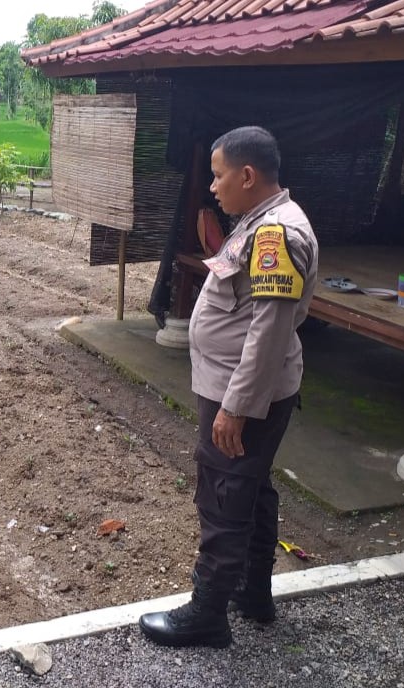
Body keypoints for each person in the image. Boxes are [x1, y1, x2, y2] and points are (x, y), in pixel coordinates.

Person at [139, 126, 319, 648]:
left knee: (225, 492)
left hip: (243, 393)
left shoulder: (276, 235)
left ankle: (207, 613)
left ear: (247, 175)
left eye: (219, 176)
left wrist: (236, 407)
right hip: (242, 386)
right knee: (250, 485)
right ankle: (252, 593)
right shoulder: (261, 222)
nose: (213, 187)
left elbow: (270, 330)